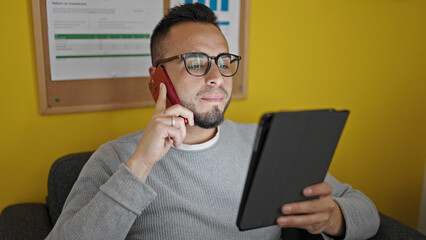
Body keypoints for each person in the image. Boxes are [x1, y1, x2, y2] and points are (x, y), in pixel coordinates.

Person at [46, 3, 379, 240]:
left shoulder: (263, 144)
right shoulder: (118, 158)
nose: (217, 77)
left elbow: (365, 210)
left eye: (224, 61)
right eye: (195, 62)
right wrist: (140, 166)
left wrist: (333, 218)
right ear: (157, 77)